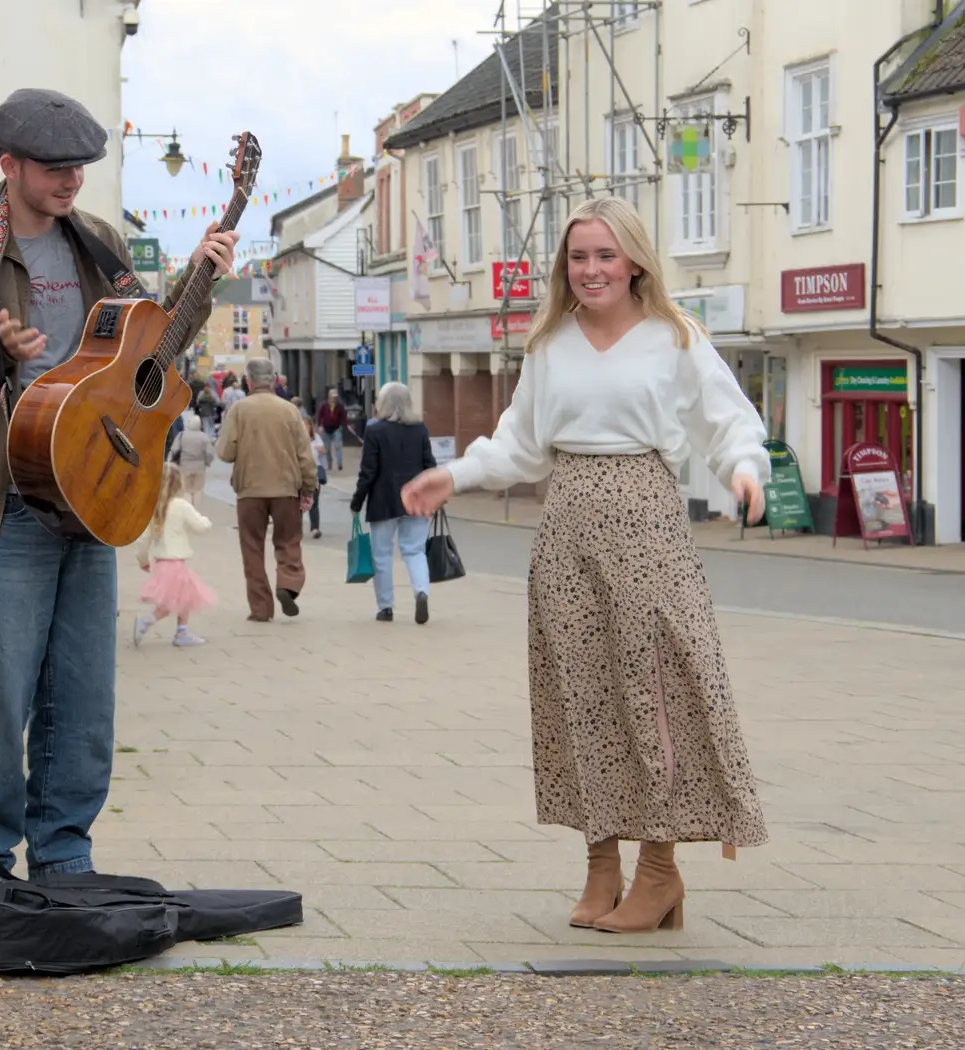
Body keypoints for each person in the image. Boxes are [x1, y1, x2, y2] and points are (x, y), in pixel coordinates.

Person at [402, 197, 769, 934]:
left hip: (647, 519)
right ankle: (601, 864)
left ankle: (659, 871)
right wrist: (458, 476)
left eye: (605, 255)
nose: (592, 269)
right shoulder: (549, 343)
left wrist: (744, 469)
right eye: (579, 257)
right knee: (581, 695)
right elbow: (519, 443)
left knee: (656, 693)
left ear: (634, 260)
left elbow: (724, 420)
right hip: (566, 521)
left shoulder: (675, 336)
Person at [0, 87, 236, 884]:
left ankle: (63, 851)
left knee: (83, 698)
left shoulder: (100, 243)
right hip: (6, 500)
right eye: (53, 168)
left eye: (80, 167)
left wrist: (199, 278)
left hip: (92, 494)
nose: (71, 181)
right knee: (2, 694)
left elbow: (148, 349)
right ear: (6, 164)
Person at [217, 357, 317, 621]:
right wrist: (309, 486)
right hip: (285, 488)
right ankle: (288, 584)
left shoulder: (239, 410)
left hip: (249, 490)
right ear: (274, 380)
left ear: (248, 381)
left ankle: (261, 609)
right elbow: (305, 456)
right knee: (288, 541)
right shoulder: (289, 410)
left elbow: (225, 452)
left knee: (252, 548)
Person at [350, 382, 436, 625]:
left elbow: (368, 471)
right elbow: (430, 465)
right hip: (417, 499)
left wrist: (357, 501)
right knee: (415, 550)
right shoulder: (419, 429)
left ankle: (386, 607)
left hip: (383, 500)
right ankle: (421, 592)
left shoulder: (375, 430)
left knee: (382, 555)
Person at [132, 464, 217, 648]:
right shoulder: (180, 505)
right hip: (176, 564)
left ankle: (182, 632)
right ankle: (146, 622)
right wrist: (207, 522)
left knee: (185, 596)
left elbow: (143, 540)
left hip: (163, 563)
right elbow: (199, 526)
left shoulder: (154, 508)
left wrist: (143, 560)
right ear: (179, 484)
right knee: (170, 603)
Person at [169, 413, 216, 508]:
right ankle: (196, 511)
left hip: (184, 466)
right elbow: (210, 453)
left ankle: (188, 510)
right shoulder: (204, 437)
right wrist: (207, 462)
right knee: (197, 491)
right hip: (199, 468)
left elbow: (175, 449)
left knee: (186, 490)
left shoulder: (182, 435)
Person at [304, 416, 327, 539]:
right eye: (303, 425)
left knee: (314, 501)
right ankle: (295, 528)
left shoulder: (316, 438)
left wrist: (313, 446)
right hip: (301, 472)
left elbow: (323, 450)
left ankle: (315, 528)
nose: (305, 428)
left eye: (307, 425)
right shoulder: (297, 438)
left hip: (314, 471)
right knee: (298, 502)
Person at [315, 388, 348, 471]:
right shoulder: (324, 405)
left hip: (336, 429)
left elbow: (344, 417)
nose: (334, 399)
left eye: (335, 397)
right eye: (333, 397)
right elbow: (319, 416)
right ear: (329, 397)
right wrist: (319, 426)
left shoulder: (340, 406)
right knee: (327, 448)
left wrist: (347, 425)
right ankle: (329, 464)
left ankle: (339, 464)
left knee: (338, 446)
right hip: (326, 429)